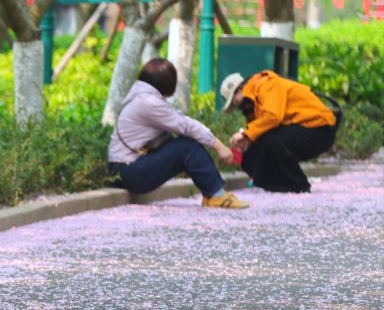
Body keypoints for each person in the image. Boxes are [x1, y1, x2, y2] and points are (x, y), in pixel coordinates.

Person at [109, 58, 248, 210]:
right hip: (128, 171)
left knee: (182, 143)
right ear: (168, 83)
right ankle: (216, 195)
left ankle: (212, 194)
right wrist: (219, 146)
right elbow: (186, 125)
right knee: (187, 147)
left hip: (125, 169)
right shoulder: (149, 103)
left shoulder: (141, 96)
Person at [221, 70, 338, 193]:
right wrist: (247, 141)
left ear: (239, 89)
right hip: (300, 130)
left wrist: (245, 133)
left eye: (234, 102)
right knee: (251, 151)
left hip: (320, 130)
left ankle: (298, 185)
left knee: (271, 140)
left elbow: (273, 117)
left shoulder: (266, 85)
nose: (236, 107)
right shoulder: (252, 103)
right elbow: (260, 128)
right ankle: (273, 187)